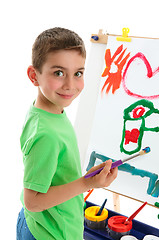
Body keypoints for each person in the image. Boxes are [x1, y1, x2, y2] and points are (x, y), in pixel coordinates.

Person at [16, 27, 118, 240]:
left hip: (46, 224)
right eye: (59, 73)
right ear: (34, 76)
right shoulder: (47, 135)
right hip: (48, 233)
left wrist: (88, 180)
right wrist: (87, 183)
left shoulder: (46, 112)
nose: (70, 85)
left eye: (78, 73)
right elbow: (33, 201)